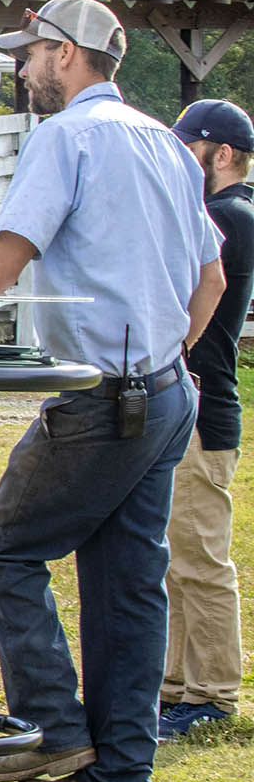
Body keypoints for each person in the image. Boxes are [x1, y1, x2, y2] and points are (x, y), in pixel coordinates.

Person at [0, 0, 224, 782]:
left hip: (100, 397)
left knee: (7, 544)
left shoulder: (65, 137)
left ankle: (53, 730)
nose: (23, 69)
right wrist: (170, 351)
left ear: (66, 54)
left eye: (29, 54)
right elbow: (210, 278)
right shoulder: (167, 144)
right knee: (128, 584)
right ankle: (119, 770)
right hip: (164, 392)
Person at [158, 98, 252, 739]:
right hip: (194, 406)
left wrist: (171, 350)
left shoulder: (227, 215)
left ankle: (214, 692)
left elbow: (202, 290)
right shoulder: (225, 213)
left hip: (203, 409)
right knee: (174, 556)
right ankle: (174, 684)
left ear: (222, 154)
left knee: (200, 559)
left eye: (190, 147)